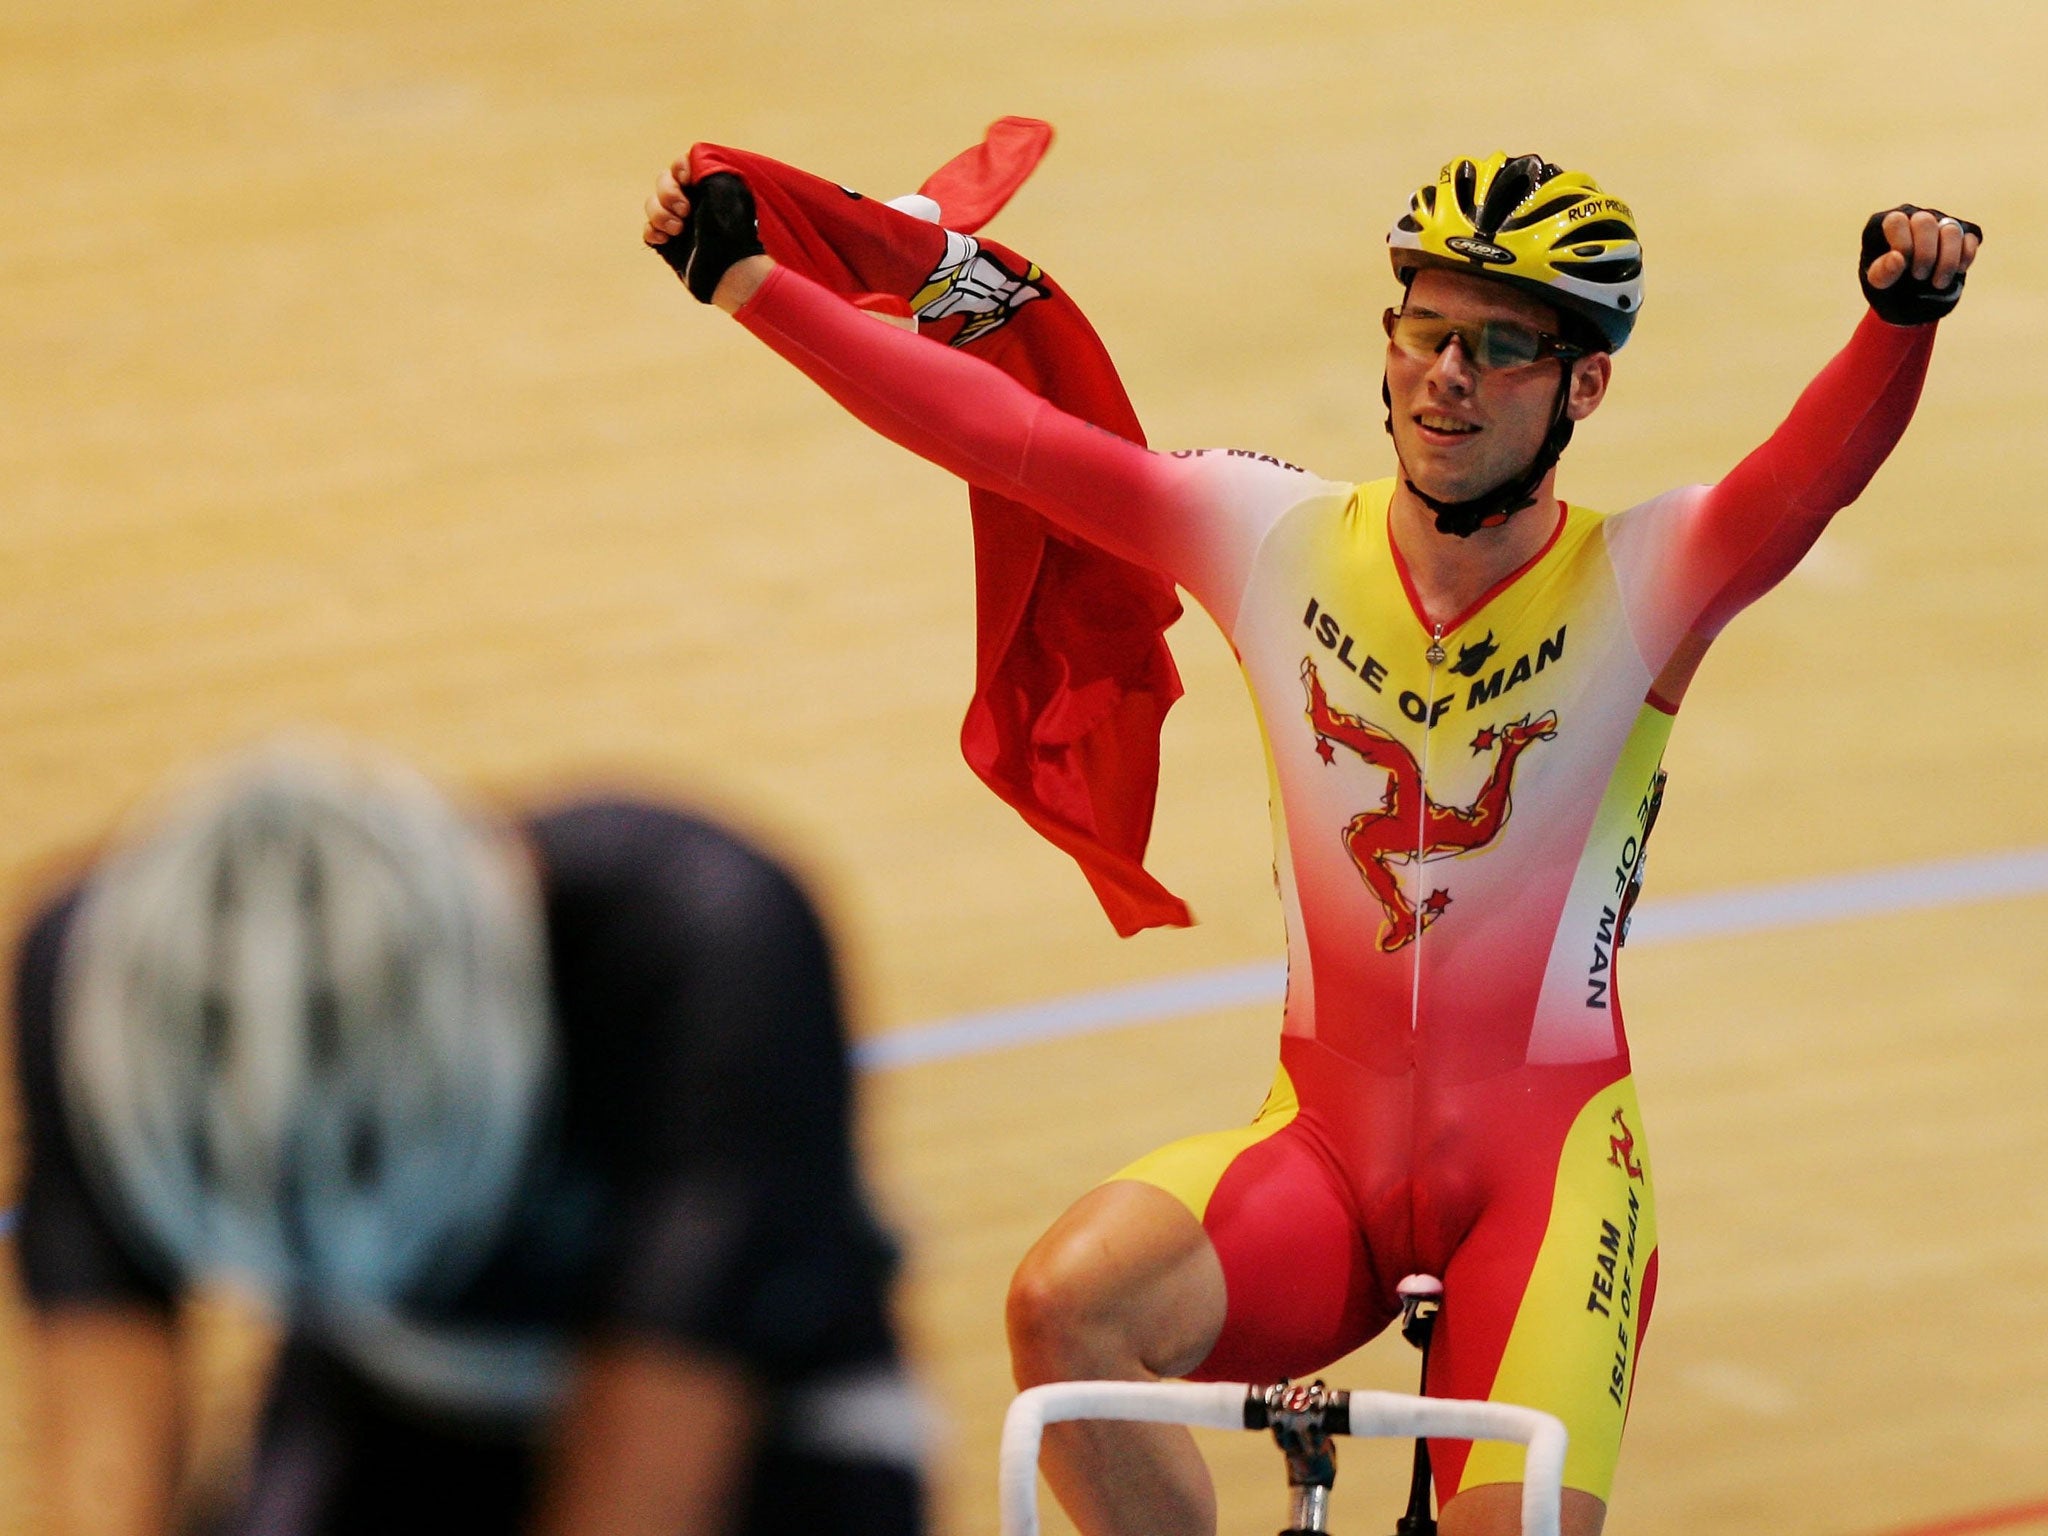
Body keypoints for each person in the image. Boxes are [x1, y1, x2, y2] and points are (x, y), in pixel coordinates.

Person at [643, 148, 1979, 1536]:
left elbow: (1807, 483)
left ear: (1584, 386)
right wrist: (755, 286)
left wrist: (1899, 322)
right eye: (1427, 329)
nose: (1448, 374)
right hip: (1324, 1165)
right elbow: (1008, 441)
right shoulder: (1265, 536)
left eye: (1502, 346)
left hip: (1548, 1179)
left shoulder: (1653, 579)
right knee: (1067, 1313)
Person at [12, 743, 927, 1536]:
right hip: (387, 1399)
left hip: (758, 1422)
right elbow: (104, 1461)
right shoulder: (88, 999)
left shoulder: (701, 944)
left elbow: (646, 1494)